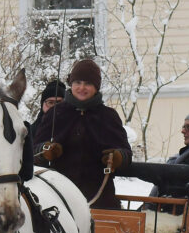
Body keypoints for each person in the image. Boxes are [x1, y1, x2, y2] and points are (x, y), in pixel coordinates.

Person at [32, 58, 131, 210]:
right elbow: (34, 151)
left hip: (99, 200)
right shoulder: (55, 114)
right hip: (59, 199)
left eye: (88, 84)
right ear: (71, 84)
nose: (82, 88)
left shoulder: (109, 116)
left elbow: (126, 155)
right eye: (78, 82)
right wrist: (45, 151)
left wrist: (117, 157)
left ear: (96, 87)